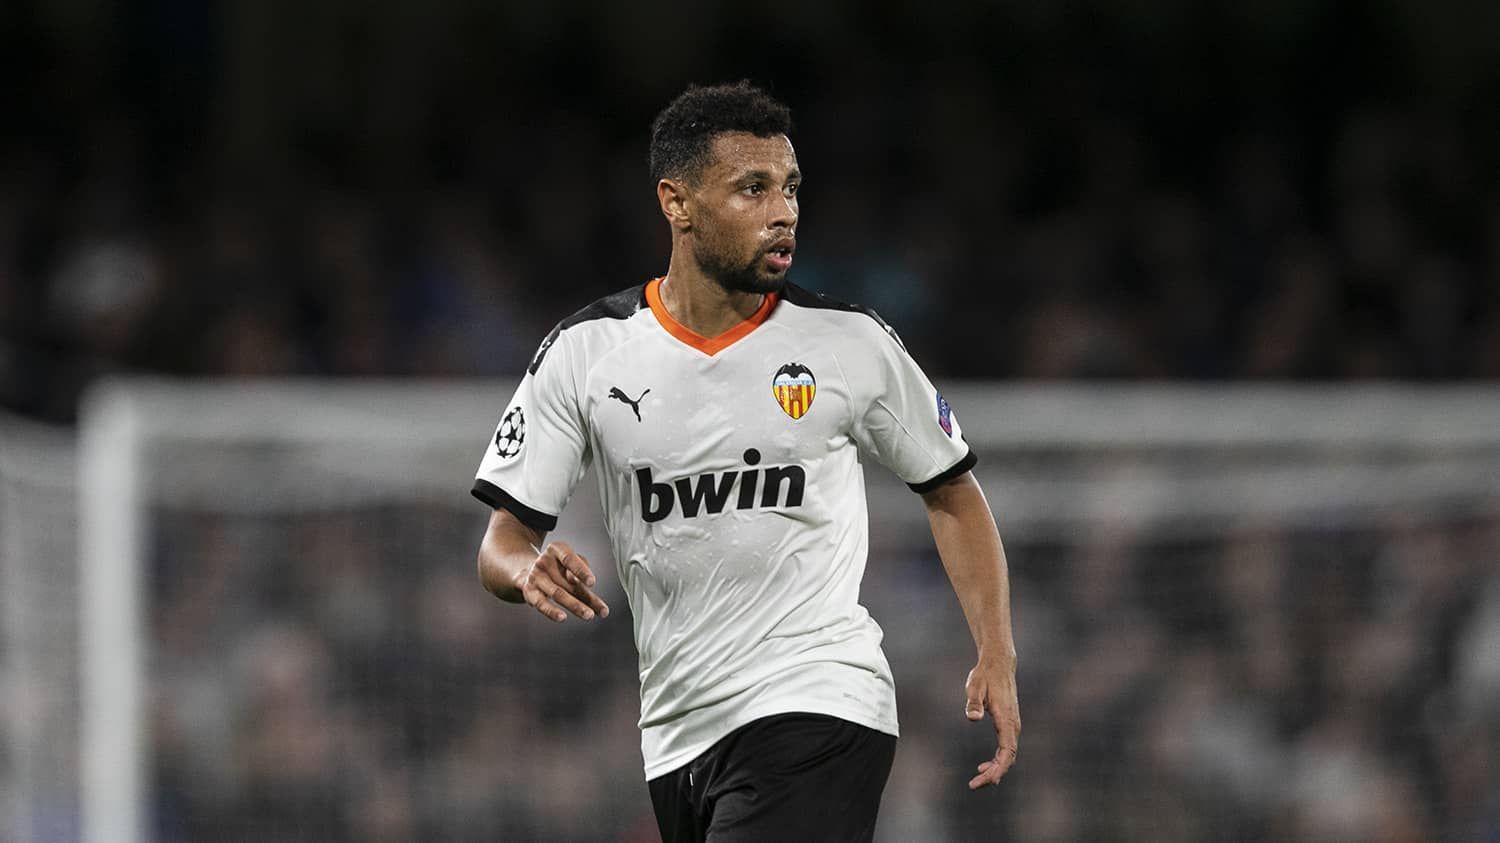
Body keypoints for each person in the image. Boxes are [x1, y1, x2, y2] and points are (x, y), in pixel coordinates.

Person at [472, 80, 1020, 842]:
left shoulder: (848, 343)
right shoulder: (587, 353)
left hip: (818, 702)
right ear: (677, 201)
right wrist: (525, 569)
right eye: (752, 189)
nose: (783, 210)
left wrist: (996, 649)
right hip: (676, 736)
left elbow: (953, 489)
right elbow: (501, 541)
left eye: (790, 188)